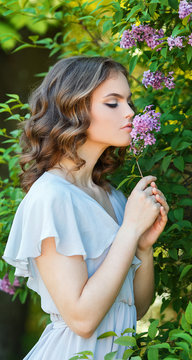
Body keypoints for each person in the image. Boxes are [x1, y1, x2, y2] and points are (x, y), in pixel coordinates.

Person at [3, 56, 169, 360]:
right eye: (112, 103)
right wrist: (130, 229)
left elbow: (136, 308)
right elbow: (83, 319)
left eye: (129, 102)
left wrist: (143, 247)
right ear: (73, 108)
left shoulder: (115, 198)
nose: (130, 112)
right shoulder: (51, 197)